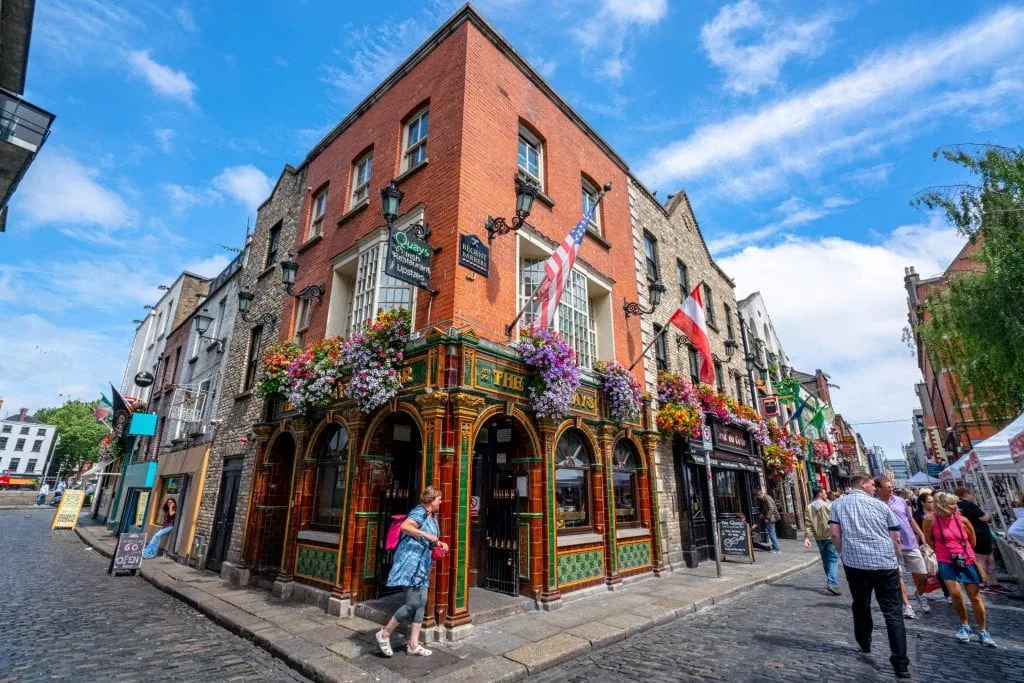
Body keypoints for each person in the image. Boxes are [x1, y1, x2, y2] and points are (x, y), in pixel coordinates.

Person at [829, 474, 910, 679]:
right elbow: (896, 537)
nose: (874, 488)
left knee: (861, 604)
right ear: (863, 484)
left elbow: (835, 535)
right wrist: (895, 558)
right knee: (893, 613)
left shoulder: (838, 505)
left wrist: (842, 553)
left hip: (855, 563)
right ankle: (900, 663)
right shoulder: (881, 506)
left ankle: (864, 642)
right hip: (885, 564)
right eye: (872, 485)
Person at [376, 487, 448, 658]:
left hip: (422, 564)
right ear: (431, 501)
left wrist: (439, 543)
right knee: (412, 603)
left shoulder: (432, 516)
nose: (441, 502)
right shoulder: (419, 512)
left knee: (422, 603)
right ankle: (384, 634)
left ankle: (413, 644)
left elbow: (429, 538)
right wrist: (427, 535)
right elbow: (405, 527)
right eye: (439, 499)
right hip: (410, 562)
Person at [923, 492, 996, 646]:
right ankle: (965, 625)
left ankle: (983, 629)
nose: (955, 506)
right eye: (951, 504)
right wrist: (943, 551)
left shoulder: (963, 520)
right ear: (941, 505)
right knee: (955, 594)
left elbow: (972, 540)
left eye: (955, 503)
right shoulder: (930, 520)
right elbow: (929, 539)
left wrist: (963, 553)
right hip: (946, 560)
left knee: (974, 596)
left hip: (966, 559)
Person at [876, 476, 929, 617]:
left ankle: (919, 593)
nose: (891, 489)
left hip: (910, 542)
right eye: (887, 487)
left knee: (922, 575)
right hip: (889, 545)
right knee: (898, 576)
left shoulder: (900, 501)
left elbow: (910, 520)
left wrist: (921, 534)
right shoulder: (875, 504)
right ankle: (907, 605)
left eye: (891, 486)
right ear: (879, 489)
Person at [954, 487, 998, 590]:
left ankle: (992, 583)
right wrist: (989, 511)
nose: (972, 496)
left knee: (987, 559)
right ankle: (984, 583)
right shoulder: (968, 505)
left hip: (976, 534)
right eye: (970, 493)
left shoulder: (959, 506)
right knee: (983, 560)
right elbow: (985, 518)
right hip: (980, 535)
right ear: (965, 493)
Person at [804, 487, 840, 595]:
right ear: (819, 494)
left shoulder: (809, 507)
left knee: (825, 559)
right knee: (833, 559)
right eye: (824, 493)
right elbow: (835, 519)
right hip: (829, 536)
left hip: (818, 537)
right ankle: (832, 583)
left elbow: (808, 523)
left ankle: (830, 580)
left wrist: (807, 537)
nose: (826, 495)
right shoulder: (828, 505)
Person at [916, 491, 951, 604]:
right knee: (936, 570)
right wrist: (919, 547)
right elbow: (917, 532)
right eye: (929, 502)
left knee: (942, 569)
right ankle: (946, 593)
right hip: (927, 546)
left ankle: (948, 592)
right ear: (922, 503)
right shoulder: (918, 515)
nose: (932, 504)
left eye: (933, 501)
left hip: (940, 544)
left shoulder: (938, 513)